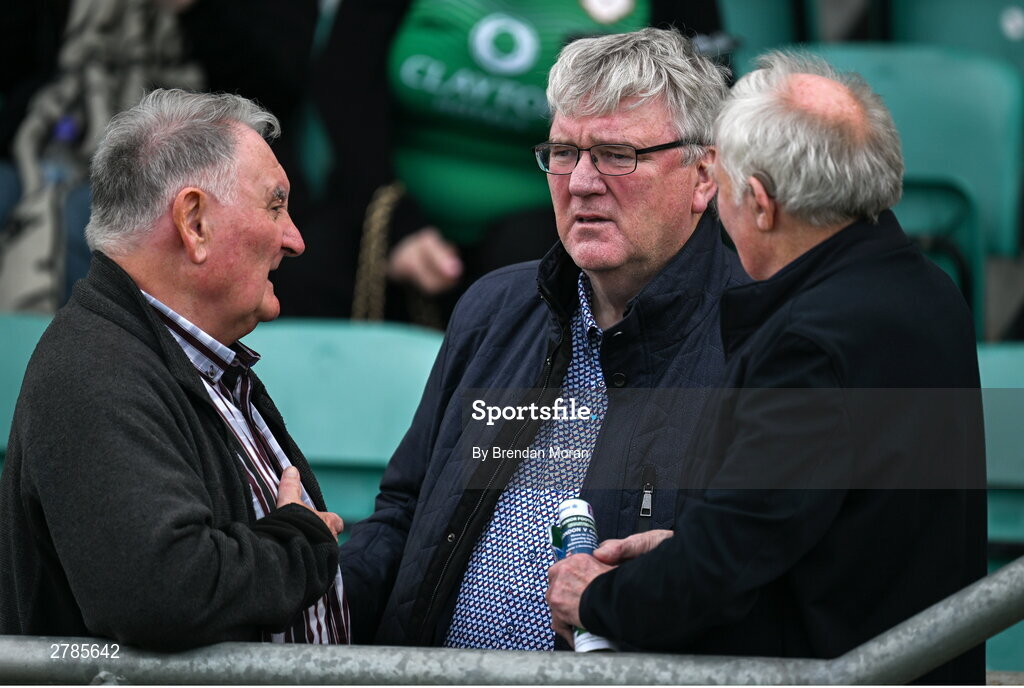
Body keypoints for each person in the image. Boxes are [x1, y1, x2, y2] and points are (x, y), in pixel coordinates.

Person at [546, 52, 987, 683]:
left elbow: (723, 568)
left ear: (760, 204)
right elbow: (823, 526)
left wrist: (593, 598)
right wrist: (684, 549)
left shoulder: (808, 344)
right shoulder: (928, 291)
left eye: (722, 189)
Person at [338, 27, 746, 649]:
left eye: (616, 154)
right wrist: (316, 598)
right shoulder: (496, 308)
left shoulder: (759, 339)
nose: (581, 182)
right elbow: (405, 514)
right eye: (564, 153)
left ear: (704, 175)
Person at [0, 89, 350, 649]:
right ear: (193, 222)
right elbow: (160, 591)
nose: (295, 239)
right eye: (275, 205)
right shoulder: (92, 373)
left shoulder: (167, 359)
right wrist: (295, 545)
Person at [272, 0, 732, 327]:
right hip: (388, 204)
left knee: (528, 289)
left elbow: (701, 112)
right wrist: (399, 228)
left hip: (564, 214)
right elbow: (345, 86)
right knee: (302, 269)